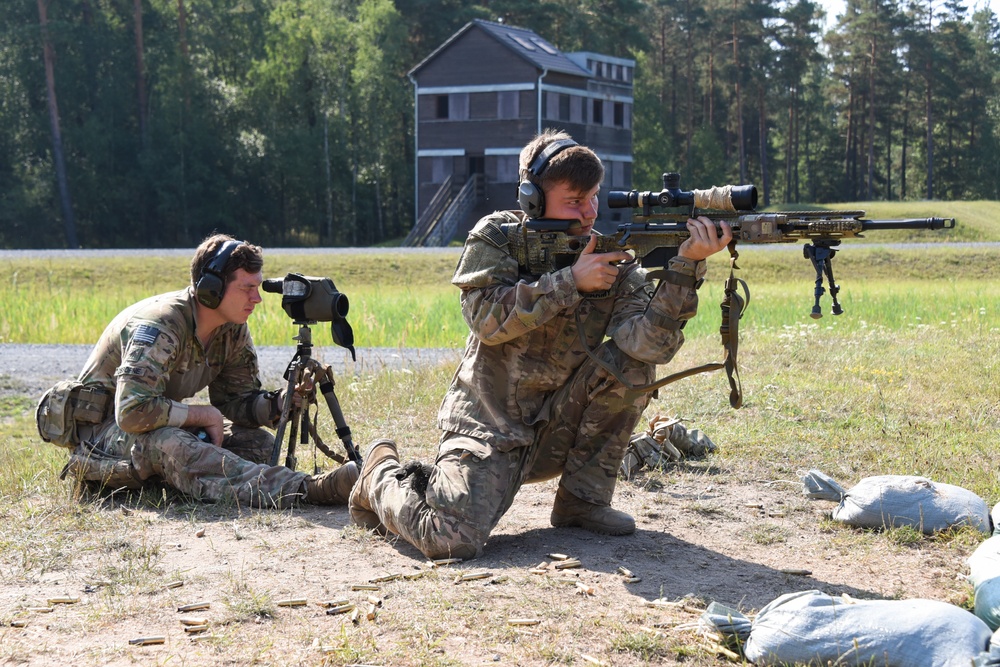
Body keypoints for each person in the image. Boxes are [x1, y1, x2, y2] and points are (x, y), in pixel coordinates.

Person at [348, 130, 732, 559]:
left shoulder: (611, 259)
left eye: (594, 198)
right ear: (532, 199)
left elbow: (649, 347)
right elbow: (485, 322)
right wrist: (569, 282)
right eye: (574, 201)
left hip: (558, 429)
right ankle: (379, 473)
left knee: (630, 365)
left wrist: (686, 267)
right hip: (488, 430)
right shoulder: (497, 236)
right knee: (449, 540)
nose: (589, 213)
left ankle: (582, 500)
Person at [47, 234, 358, 507]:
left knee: (258, 444)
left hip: (156, 428)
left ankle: (184, 480)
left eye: (257, 287)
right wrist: (203, 415)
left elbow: (238, 401)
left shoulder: (231, 329)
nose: (257, 298)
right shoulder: (160, 324)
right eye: (247, 288)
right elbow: (131, 412)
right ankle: (305, 490)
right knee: (175, 445)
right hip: (104, 434)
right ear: (211, 289)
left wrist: (281, 403)